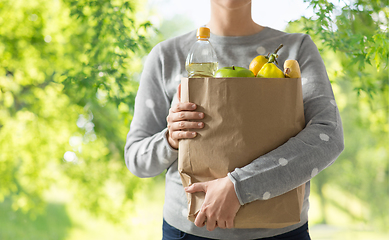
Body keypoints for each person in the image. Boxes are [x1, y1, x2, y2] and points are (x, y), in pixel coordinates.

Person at [124, 0, 344, 239]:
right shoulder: (166, 56)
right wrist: (172, 138)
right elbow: (136, 158)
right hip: (188, 232)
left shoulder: (296, 49)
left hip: (283, 232)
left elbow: (328, 136)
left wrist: (239, 187)